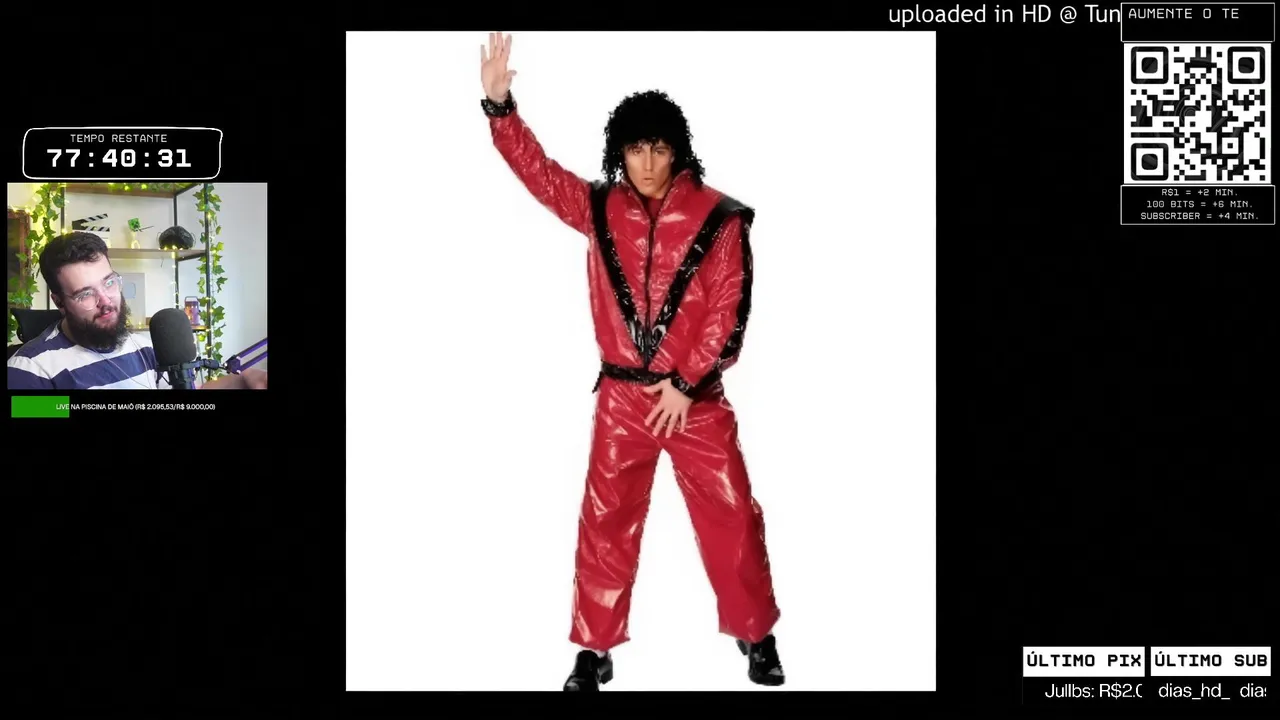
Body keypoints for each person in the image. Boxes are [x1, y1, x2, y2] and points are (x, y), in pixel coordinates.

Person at [480, 32, 783, 690]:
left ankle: (757, 634)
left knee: (732, 515)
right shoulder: (598, 208)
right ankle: (594, 649)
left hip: (694, 401)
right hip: (622, 400)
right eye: (636, 149)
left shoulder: (720, 218)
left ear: (679, 151)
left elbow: (728, 310)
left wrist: (686, 383)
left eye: (659, 148)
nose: (647, 163)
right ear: (619, 152)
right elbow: (540, 174)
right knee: (605, 523)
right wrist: (501, 108)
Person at [6, 231, 266, 390]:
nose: (106, 301)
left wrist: (241, 381)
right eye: (85, 294)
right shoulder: (30, 369)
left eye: (109, 282)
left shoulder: (143, 347)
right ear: (59, 302)